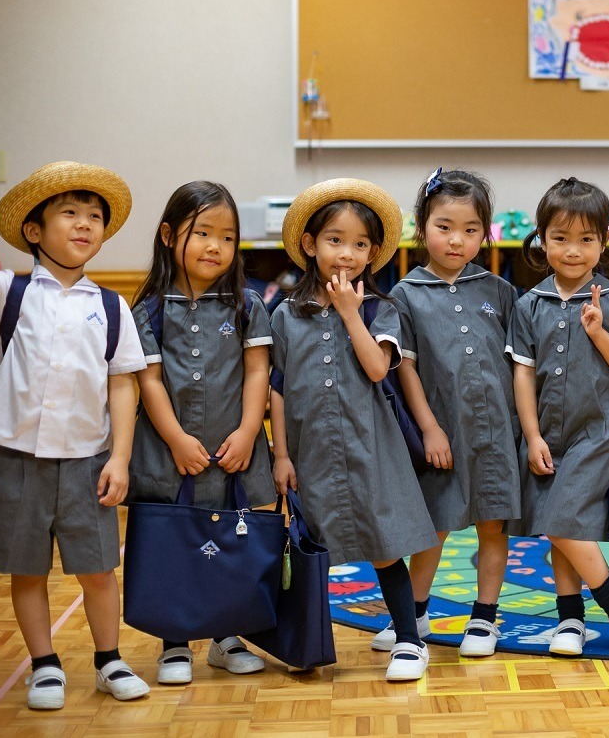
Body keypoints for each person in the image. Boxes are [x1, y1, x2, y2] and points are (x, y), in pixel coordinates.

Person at [0, 162, 150, 709]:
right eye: (70, 213)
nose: (85, 225)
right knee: (27, 568)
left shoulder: (110, 306)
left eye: (95, 217)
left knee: (99, 570)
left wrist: (121, 458)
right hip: (16, 458)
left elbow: (123, 385)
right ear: (33, 231)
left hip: (89, 460)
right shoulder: (4, 293)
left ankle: (108, 659)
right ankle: (43, 665)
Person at [268, 178, 438, 681]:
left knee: (385, 544)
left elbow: (377, 369)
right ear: (309, 244)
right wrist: (280, 455)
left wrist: (349, 313)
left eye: (360, 244)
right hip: (311, 450)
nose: (346, 253)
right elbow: (276, 388)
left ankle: (409, 638)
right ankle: (308, 640)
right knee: (311, 547)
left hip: (372, 449)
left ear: (373, 253)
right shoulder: (284, 313)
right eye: (335, 240)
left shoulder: (379, 309)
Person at [128, 181, 274, 683]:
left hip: (235, 449)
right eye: (203, 233)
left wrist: (250, 431)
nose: (216, 247)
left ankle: (226, 633)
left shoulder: (247, 305)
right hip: (173, 454)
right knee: (177, 539)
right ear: (169, 235)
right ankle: (174, 640)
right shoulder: (147, 310)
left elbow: (258, 371)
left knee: (233, 540)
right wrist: (174, 438)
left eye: (228, 237)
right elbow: (148, 381)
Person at [373, 168, 521, 658]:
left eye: (470, 229)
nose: (457, 240)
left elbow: (521, 365)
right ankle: (413, 612)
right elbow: (406, 370)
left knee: (493, 525)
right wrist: (431, 428)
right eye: (444, 227)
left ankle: (484, 617)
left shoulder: (499, 291)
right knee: (432, 524)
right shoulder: (405, 295)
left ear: (485, 232)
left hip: (497, 433)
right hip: (442, 434)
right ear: (421, 226)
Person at [507, 177, 609, 657]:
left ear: (603, 243)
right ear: (541, 239)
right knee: (561, 527)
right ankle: (570, 620)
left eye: (586, 239)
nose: (573, 251)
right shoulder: (528, 305)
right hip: (547, 434)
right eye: (561, 238)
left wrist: (599, 334)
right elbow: (523, 377)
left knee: (565, 520)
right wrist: (530, 435)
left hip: (599, 435)